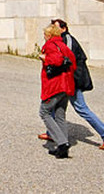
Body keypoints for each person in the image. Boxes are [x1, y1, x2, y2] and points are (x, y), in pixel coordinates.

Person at [51, 19, 104, 150]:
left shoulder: (68, 39)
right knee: (56, 105)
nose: (53, 30)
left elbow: (66, 58)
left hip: (72, 80)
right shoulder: (61, 40)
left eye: (55, 27)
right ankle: (52, 132)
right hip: (66, 79)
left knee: (81, 108)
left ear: (64, 29)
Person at [38, 21, 77, 159]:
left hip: (55, 85)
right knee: (60, 115)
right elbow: (72, 62)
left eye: (45, 34)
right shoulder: (63, 45)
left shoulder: (50, 45)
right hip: (66, 85)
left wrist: (45, 58)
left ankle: (62, 143)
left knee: (44, 112)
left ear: (49, 35)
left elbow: (56, 60)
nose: (44, 36)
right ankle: (63, 145)